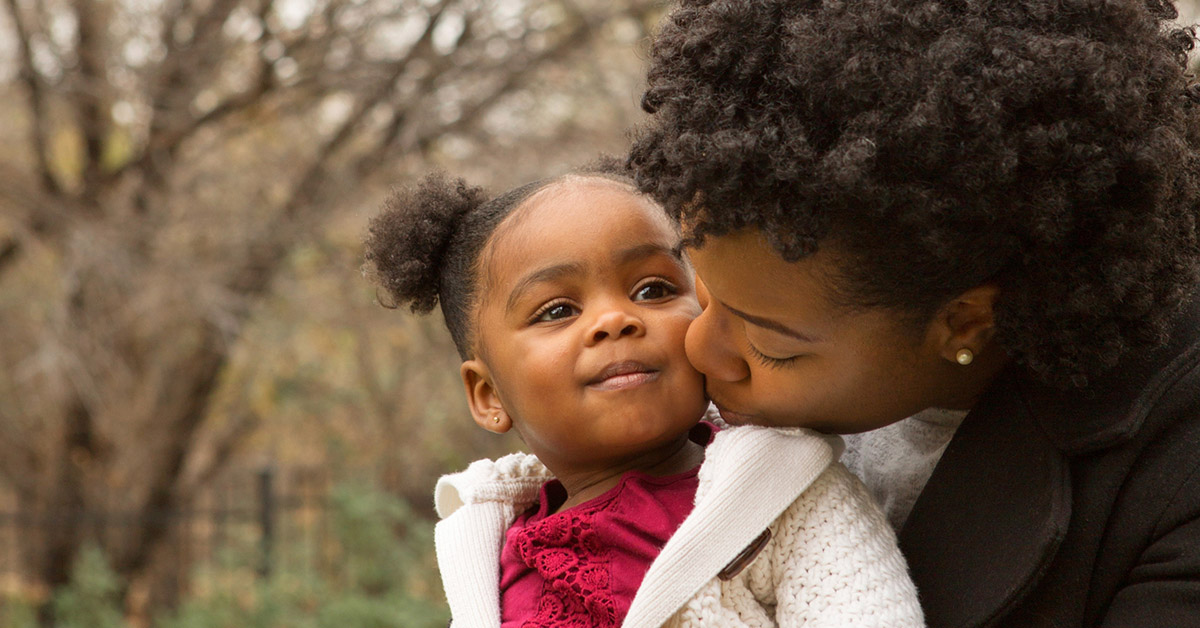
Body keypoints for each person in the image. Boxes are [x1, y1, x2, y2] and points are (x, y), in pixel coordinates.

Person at [628, 0, 1200, 626]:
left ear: (964, 323)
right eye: (702, 291)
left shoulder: (1174, 487)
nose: (697, 350)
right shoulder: (670, 405)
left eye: (770, 344)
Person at [362, 166, 924, 626]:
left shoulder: (783, 489)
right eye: (558, 310)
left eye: (653, 289)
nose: (615, 319)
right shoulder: (490, 543)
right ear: (488, 394)